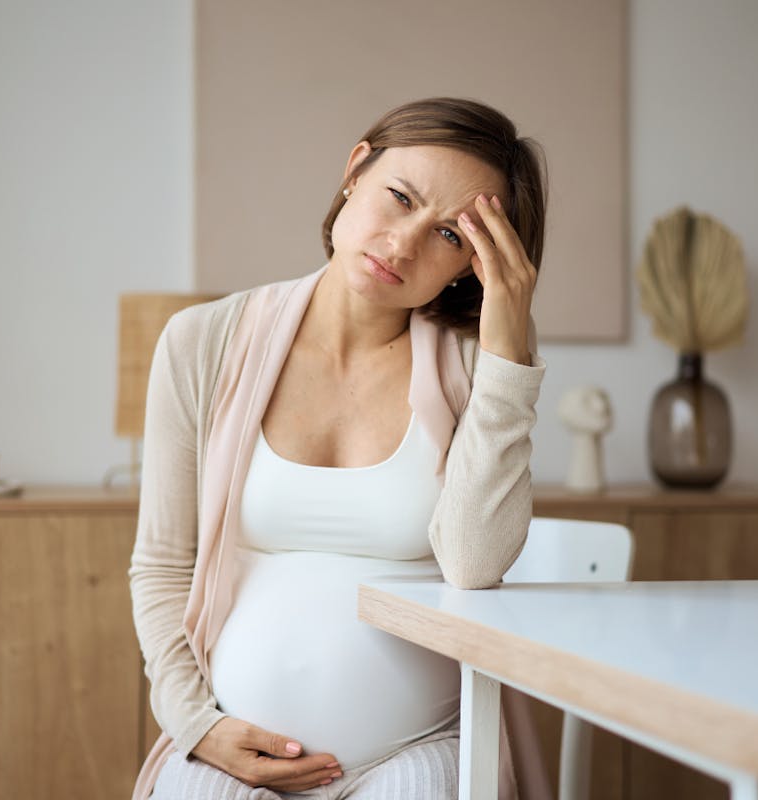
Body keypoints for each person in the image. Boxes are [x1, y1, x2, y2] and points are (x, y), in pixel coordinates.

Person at [130, 96, 548, 800]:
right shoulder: (201, 341)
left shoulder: (475, 363)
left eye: (449, 234)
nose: (404, 244)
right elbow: (162, 566)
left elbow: (473, 565)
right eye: (400, 197)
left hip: (422, 748)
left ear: (473, 266)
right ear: (356, 171)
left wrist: (508, 352)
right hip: (227, 742)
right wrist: (196, 724)